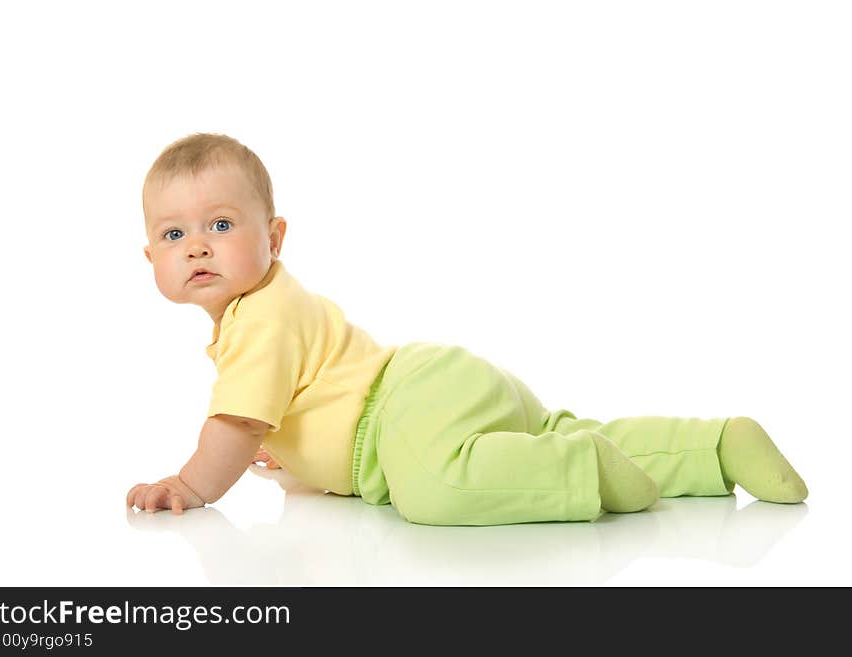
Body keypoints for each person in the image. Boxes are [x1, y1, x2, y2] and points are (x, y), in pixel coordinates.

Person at [126, 133, 808, 525]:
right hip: (433, 385)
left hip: (402, 409)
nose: (197, 246)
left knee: (434, 487)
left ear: (273, 235)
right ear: (150, 256)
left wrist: (191, 484)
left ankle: (580, 469)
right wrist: (294, 445)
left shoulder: (260, 318)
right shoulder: (266, 308)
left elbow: (236, 425)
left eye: (221, 224)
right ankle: (715, 447)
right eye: (174, 233)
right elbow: (274, 410)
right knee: (555, 424)